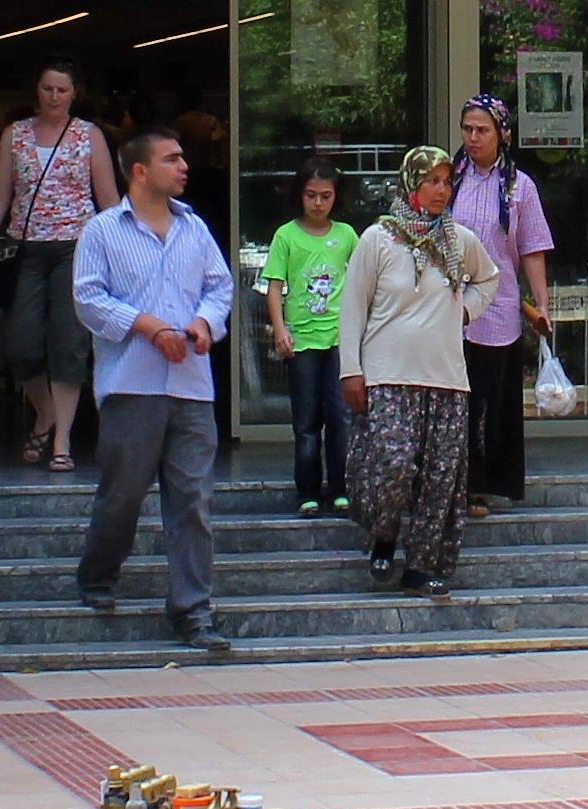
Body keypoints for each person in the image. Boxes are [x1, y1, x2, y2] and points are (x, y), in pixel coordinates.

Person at [70, 125, 236, 646]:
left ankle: (194, 611)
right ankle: (97, 575)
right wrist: (149, 326)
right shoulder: (102, 231)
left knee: (193, 502)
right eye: (172, 158)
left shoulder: (195, 228)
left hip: (191, 387)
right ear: (140, 171)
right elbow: (88, 299)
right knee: (122, 496)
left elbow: (220, 286)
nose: (184, 166)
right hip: (131, 385)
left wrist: (205, 324)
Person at [337, 144, 502, 594]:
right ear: (411, 184)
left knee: (440, 479)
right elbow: (352, 308)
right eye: (431, 180)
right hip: (389, 375)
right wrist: (351, 370)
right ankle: (385, 535)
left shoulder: (459, 240)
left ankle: (423, 565)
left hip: (446, 378)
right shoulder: (379, 239)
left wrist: (465, 311)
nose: (440, 190)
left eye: (447, 181)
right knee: (394, 466)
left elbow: (490, 278)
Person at [0, 63, 115, 473]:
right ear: (36, 90)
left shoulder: (89, 136)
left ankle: (62, 438)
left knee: (69, 345)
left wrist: (120, 258)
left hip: (76, 249)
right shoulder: (15, 135)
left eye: (61, 90)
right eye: (47, 88)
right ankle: (43, 412)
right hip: (26, 248)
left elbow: (108, 202)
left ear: (74, 93)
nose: (53, 96)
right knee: (20, 345)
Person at [446, 94, 555, 507]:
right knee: (457, 402)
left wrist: (540, 304)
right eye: (467, 129)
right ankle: (457, 482)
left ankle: (488, 483)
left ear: (502, 134)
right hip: (449, 309)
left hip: (499, 308)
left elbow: (532, 247)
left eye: (482, 130)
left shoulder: (518, 186)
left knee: (491, 403)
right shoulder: (448, 178)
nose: (473, 138)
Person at [259, 164, 358, 514]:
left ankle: (342, 487)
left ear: (336, 197)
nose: (318, 203)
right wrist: (280, 329)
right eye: (311, 195)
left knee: (340, 416)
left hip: (338, 339)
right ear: (300, 195)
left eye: (325, 196)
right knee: (305, 421)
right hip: (301, 340)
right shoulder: (286, 235)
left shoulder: (347, 235)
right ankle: (308, 492)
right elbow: (273, 287)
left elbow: (361, 283)